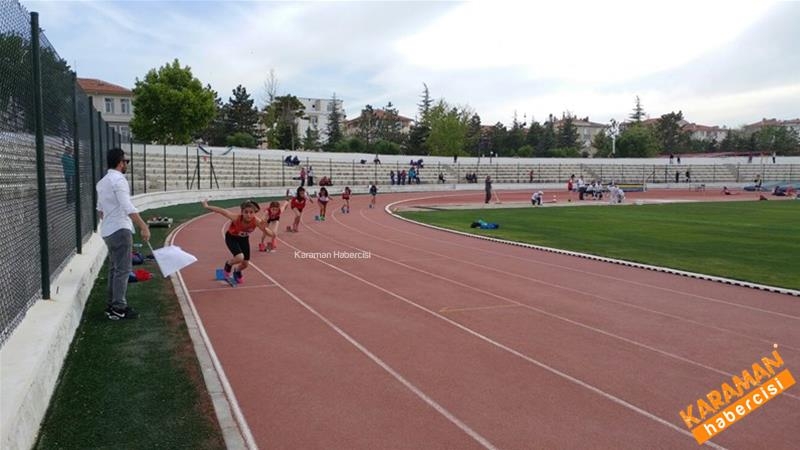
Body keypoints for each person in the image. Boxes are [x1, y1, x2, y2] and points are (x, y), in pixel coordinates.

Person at [96, 148, 151, 319]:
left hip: (108, 230)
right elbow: (127, 206)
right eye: (126, 162)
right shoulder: (119, 181)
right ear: (120, 163)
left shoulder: (102, 182)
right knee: (123, 270)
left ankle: (112, 304)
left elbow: (100, 210)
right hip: (120, 229)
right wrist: (143, 226)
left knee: (115, 268)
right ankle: (119, 307)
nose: (126, 164)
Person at [203, 199, 272, 286]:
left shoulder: (256, 221)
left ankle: (237, 271)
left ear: (254, 213)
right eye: (246, 212)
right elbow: (221, 211)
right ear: (242, 212)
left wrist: (269, 231)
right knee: (240, 257)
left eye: (251, 212)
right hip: (232, 237)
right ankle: (228, 265)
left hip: (244, 239)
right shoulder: (236, 218)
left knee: (245, 264)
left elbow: (269, 233)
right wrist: (207, 206)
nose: (248, 215)